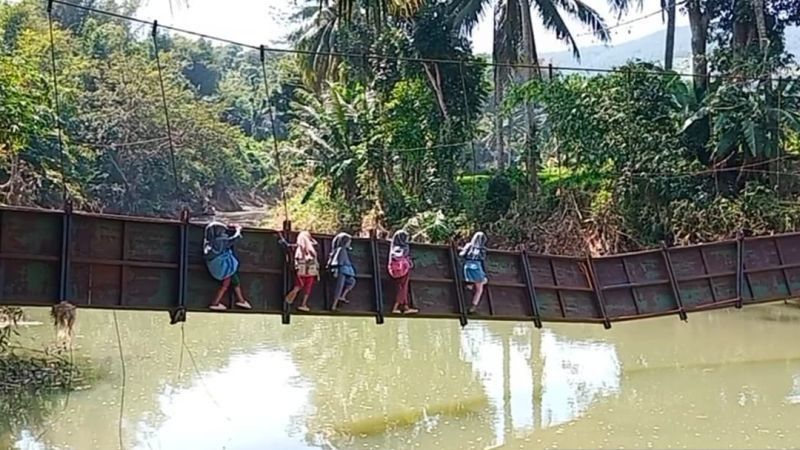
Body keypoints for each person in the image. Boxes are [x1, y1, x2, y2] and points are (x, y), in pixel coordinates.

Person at [204, 221, 252, 311]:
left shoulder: (209, 242)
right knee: (228, 282)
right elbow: (234, 239)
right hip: (222, 266)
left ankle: (241, 300)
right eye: (222, 231)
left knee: (232, 281)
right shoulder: (219, 241)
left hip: (217, 265)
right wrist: (238, 229)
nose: (224, 233)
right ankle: (216, 303)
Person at [284, 231, 319, 312]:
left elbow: (296, 259)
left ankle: (290, 297)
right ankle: (303, 304)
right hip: (310, 271)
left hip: (301, 270)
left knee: (299, 285)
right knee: (308, 287)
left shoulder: (299, 249)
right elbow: (315, 245)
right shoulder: (311, 247)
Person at [387, 230, 417, 314]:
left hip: (394, 270)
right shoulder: (403, 247)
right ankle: (395, 307)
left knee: (403, 287)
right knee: (403, 288)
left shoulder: (393, 246)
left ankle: (406, 306)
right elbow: (401, 255)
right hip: (403, 270)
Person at [460, 231, 488, 314]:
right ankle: (473, 306)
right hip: (476, 267)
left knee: (472, 282)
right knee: (480, 287)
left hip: (467, 267)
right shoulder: (482, 249)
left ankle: (469, 287)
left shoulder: (469, 245)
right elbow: (482, 259)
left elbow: (461, 254)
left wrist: (462, 249)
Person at [327, 232, 356, 311]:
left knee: (352, 281)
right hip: (340, 271)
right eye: (349, 241)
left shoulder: (344, 250)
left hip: (345, 272)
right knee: (338, 287)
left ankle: (342, 296)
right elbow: (338, 261)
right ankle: (333, 306)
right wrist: (336, 271)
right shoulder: (340, 250)